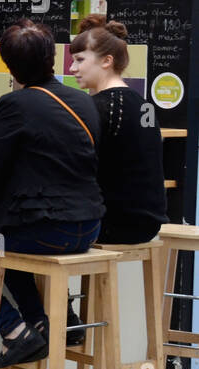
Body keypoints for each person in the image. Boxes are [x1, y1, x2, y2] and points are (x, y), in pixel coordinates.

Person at [0, 19, 105, 368]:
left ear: (10, 67)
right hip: (88, 227)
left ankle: (14, 332)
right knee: (6, 243)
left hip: (48, 231)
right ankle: (42, 322)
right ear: (54, 58)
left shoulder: (14, 105)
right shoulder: (84, 101)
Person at [70, 15, 166, 244]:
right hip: (149, 223)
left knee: (16, 231)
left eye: (79, 60)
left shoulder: (96, 107)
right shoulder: (145, 105)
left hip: (111, 224)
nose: (72, 68)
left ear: (107, 61)